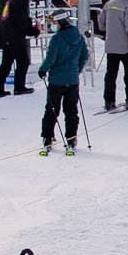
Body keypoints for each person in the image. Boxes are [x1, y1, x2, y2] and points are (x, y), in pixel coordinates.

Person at [38, 9, 88, 155]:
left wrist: (43, 70)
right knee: (71, 110)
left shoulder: (57, 39)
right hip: (72, 80)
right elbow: (84, 56)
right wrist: (76, 70)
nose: (53, 25)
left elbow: (51, 58)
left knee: (52, 109)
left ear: (59, 22)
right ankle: (71, 138)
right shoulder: (79, 37)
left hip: (56, 80)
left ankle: (48, 137)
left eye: (54, 22)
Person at [0, 0, 36, 96]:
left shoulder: (12, 0)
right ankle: (19, 87)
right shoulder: (20, 1)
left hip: (7, 37)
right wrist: (32, 30)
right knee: (23, 61)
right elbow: (21, 21)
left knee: (6, 63)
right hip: (14, 38)